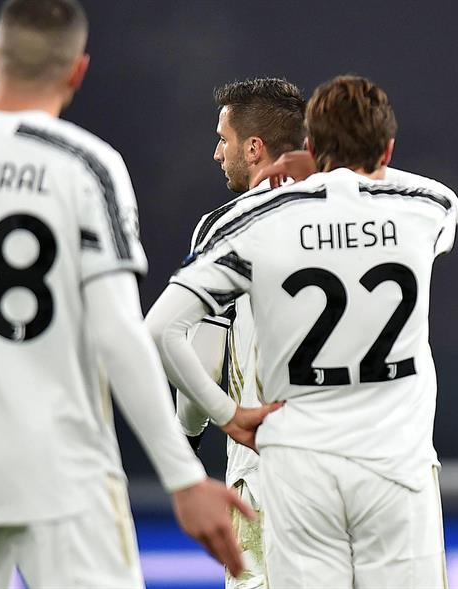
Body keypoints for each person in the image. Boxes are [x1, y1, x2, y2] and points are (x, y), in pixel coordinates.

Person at [0, 1, 256, 586]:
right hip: (59, 469)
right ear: (77, 71)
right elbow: (118, 332)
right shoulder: (84, 166)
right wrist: (182, 474)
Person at [147, 75, 458, 588]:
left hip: (284, 467)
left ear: (311, 144)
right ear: (385, 149)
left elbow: (173, 332)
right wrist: (334, 171)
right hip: (394, 465)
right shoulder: (422, 208)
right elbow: (438, 194)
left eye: (222, 140)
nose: (215, 154)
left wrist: (216, 420)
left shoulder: (242, 224)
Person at [175, 77, 306, 589]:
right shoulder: (350, 215)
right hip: (350, 464)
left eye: (223, 139)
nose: (216, 153)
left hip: (265, 470)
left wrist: (187, 436)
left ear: (254, 148)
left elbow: (203, 345)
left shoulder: (225, 228)